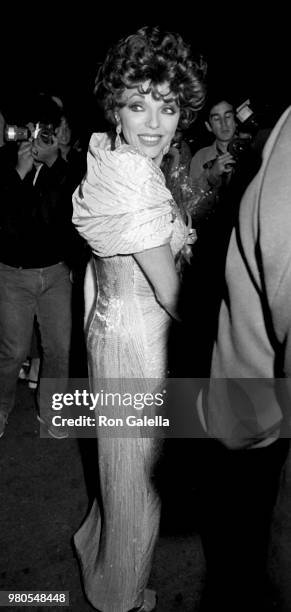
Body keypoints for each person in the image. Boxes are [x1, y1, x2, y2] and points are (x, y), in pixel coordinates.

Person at [72, 25, 206, 612]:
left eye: (168, 106)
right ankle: (119, 596)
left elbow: (102, 272)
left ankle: (96, 549)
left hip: (114, 330)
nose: (154, 122)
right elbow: (177, 298)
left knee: (119, 463)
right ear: (116, 108)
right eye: (137, 104)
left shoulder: (114, 156)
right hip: (140, 345)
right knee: (137, 480)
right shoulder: (131, 177)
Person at [197, 106, 291, 611]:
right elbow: (193, 211)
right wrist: (212, 182)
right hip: (220, 278)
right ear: (207, 127)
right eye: (215, 119)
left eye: (229, 115)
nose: (225, 124)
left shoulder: (262, 147)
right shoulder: (197, 161)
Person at [0, 94, 82, 439]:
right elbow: (7, 223)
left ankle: (52, 411)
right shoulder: (7, 162)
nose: (39, 136)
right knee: (13, 351)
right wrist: (19, 174)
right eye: (34, 129)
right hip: (13, 273)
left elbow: (63, 216)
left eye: (47, 129)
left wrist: (53, 165)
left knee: (59, 348)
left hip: (56, 273)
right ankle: (1, 407)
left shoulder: (68, 168)